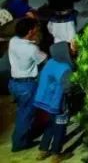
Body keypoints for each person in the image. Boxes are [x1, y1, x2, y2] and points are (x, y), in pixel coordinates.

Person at [9, 17, 47, 152]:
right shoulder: (32, 49)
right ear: (30, 31)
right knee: (25, 115)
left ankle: (23, 136)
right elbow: (44, 59)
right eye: (35, 29)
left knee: (22, 111)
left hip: (14, 83)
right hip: (27, 85)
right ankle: (19, 144)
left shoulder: (13, 41)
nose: (37, 30)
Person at [33, 40, 75, 162]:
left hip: (45, 101)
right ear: (65, 52)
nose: (73, 51)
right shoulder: (65, 68)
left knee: (50, 124)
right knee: (60, 128)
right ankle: (56, 154)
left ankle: (43, 150)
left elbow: (40, 77)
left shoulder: (51, 62)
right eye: (70, 49)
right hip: (58, 103)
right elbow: (67, 88)